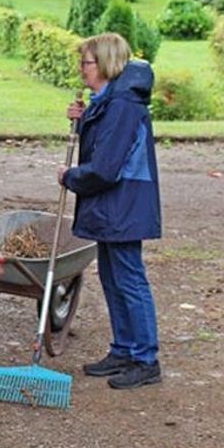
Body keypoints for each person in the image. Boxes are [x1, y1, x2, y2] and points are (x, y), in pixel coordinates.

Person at [57, 32, 163, 390]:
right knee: (113, 277)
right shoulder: (110, 101)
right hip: (115, 205)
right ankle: (123, 350)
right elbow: (101, 143)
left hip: (124, 204)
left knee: (129, 279)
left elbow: (105, 167)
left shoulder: (123, 105)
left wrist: (70, 176)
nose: (81, 69)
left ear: (104, 64)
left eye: (86, 62)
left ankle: (145, 358)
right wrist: (85, 118)